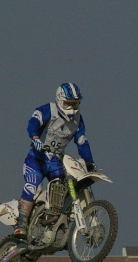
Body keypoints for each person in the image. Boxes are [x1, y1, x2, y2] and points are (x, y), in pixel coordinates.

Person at [14, 82, 96, 236]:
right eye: (68, 104)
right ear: (59, 101)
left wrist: (90, 162)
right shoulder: (48, 110)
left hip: (55, 162)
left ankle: (52, 220)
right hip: (36, 159)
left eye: (75, 104)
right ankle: (21, 224)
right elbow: (33, 123)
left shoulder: (78, 120)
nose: (72, 109)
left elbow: (82, 142)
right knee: (32, 185)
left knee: (62, 189)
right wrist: (35, 137)